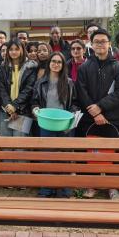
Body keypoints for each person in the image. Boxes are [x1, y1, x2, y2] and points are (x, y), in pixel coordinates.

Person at [76, 28, 119, 200]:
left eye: (103, 41)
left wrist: (100, 107)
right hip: (90, 118)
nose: (100, 44)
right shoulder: (84, 67)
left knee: (111, 154)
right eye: (96, 42)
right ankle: (92, 185)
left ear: (109, 44)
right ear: (91, 44)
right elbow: (81, 91)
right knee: (92, 153)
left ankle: (113, 187)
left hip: (112, 118)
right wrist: (95, 112)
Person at [32, 52, 78, 198]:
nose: (56, 64)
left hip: (64, 125)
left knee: (64, 157)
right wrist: (35, 109)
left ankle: (64, 190)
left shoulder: (69, 83)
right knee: (47, 157)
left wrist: (72, 116)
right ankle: (46, 189)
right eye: (53, 61)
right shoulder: (40, 82)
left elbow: (74, 103)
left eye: (59, 62)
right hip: (46, 124)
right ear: (49, 63)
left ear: (63, 65)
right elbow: (34, 101)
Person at [0, 39, 37, 136]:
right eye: (11, 49)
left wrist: (15, 106)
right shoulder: (2, 67)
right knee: (5, 143)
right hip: (5, 110)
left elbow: (28, 89)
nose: (13, 52)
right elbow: (1, 89)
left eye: (17, 49)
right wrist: (9, 107)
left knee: (20, 143)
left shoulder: (30, 67)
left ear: (22, 50)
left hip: (23, 110)